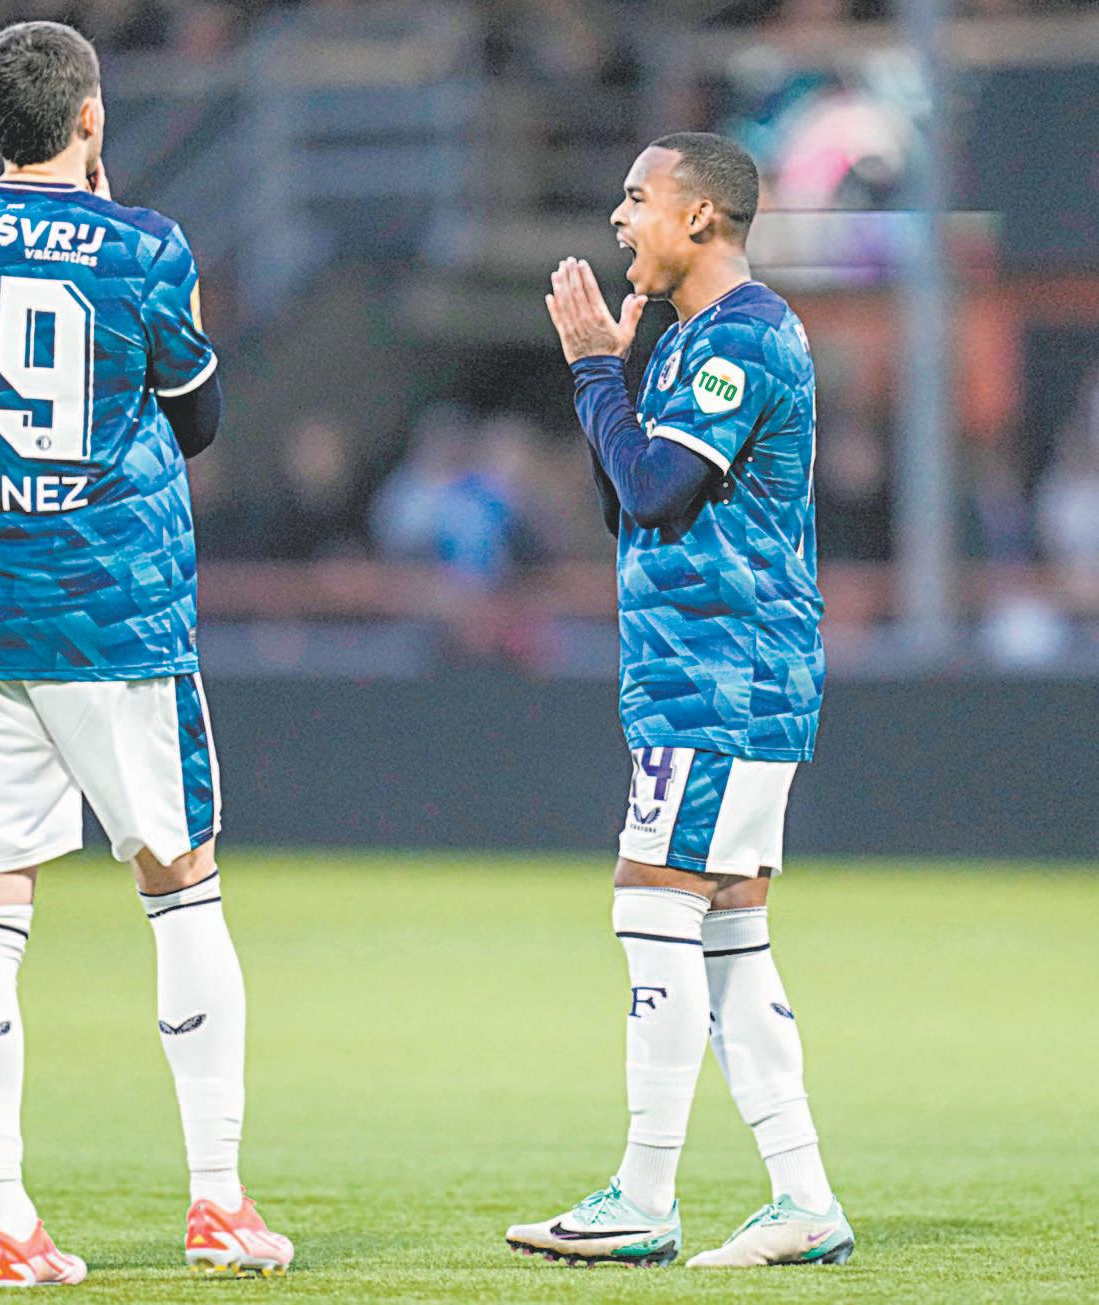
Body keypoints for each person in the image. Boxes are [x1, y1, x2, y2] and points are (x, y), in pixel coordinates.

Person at [0, 20, 292, 1286]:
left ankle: (4, 1225)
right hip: (109, 619)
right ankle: (215, 1202)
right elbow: (199, 419)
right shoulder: (141, 247)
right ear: (90, 118)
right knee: (182, 886)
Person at [505, 132, 852, 1269]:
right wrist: (610, 373)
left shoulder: (741, 337)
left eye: (636, 197)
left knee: (649, 904)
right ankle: (802, 1200)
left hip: (724, 678)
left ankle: (642, 1195)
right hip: (700, 676)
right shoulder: (688, 342)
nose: (618, 218)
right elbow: (627, 502)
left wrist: (592, 372)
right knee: (730, 940)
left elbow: (656, 491)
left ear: (698, 216)